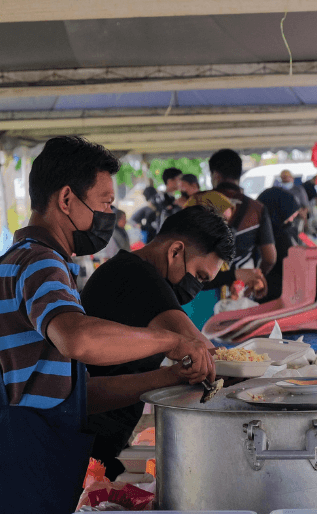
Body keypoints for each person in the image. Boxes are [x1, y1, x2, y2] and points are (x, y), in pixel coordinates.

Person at [0, 137, 214, 514]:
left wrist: (168, 378)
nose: (110, 214)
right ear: (66, 200)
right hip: (17, 481)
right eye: (106, 203)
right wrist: (168, 341)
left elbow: (75, 396)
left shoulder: (24, 260)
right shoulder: (40, 263)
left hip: (24, 468)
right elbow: (78, 339)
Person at [80, 205, 235, 479]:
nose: (196, 287)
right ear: (175, 251)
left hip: (93, 439)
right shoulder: (140, 279)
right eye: (199, 276)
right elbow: (211, 359)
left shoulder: (127, 269)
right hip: (82, 442)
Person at [208, 149, 276, 292]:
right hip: (241, 287)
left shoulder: (198, 204)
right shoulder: (257, 208)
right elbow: (270, 258)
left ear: (215, 175)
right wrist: (255, 279)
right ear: (239, 174)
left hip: (205, 289)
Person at [256, 187, 301, 302]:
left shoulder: (283, 229)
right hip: (272, 297)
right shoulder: (276, 236)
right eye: (290, 213)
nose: (293, 217)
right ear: (277, 210)